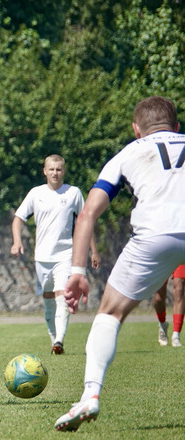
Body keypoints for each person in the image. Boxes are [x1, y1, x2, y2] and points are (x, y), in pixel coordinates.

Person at [54, 96, 185, 432]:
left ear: (136, 129)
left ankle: (90, 395)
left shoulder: (128, 153)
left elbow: (88, 214)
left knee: (110, 313)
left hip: (155, 236)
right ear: (177, 127)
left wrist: (78, 272)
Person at [11, 155, 101, 354]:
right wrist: (17, 241)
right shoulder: (36, 193)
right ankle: (54, 340)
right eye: (51, 169)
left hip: (65, 254)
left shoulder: (74, 193)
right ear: (44, 171)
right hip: (42, 257)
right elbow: (18, 219)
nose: (55, 173)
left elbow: (86, 222)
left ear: (64, 171)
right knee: (48, 298)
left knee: (63, 296)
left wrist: (93, 251)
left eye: (59, 169)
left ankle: (60, 340)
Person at [152, 265, 185, 347]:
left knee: (179, 291)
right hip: (163, 256)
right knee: (158, 298)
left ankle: (176, 335)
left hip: (180, 254)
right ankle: (163, 325)